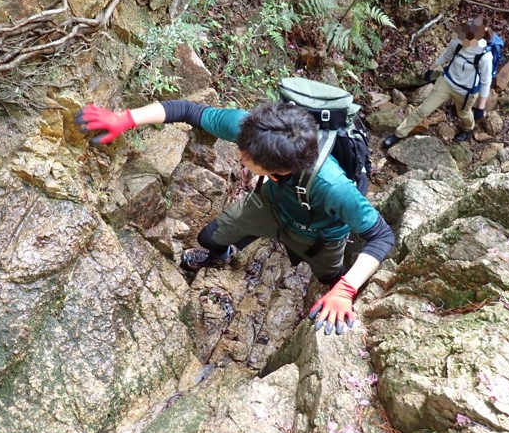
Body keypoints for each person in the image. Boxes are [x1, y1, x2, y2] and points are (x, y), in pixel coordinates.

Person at [77, 100, 395, 336]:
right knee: (209, 238)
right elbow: (187, 111)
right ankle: (223, 256)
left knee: (329, 278)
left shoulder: (333, 187)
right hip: (269, 205)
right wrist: (126, 118)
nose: (240, 155)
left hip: (320, 234)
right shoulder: (253, 131)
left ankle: (332, 292)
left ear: (277, 168)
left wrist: (345, 290)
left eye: (245, 158)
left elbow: (382, 236)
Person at [382, 16, 494, 149]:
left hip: (466, 91)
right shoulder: (458, 40)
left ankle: (468, 129)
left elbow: (486, 81)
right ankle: (399, 134)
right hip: (446, 81)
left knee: (463, 113)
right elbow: (446, 55)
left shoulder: (485, 56)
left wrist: (481, 108)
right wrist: (431, 68)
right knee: (423, 110)